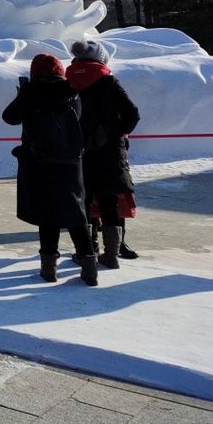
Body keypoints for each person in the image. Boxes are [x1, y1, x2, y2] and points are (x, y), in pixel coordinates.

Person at [2, 54, 98, 286]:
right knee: (76, 212)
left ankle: (48, 269)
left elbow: (9, 117)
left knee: (47, 214)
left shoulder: (30, 93)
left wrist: (23, 94)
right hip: (71, 161)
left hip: (39, 162)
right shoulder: (72, 91)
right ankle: (89, 267)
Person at [67, 39, 140, 269]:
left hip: (78, 151)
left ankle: (87, 251)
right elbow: (132, 113)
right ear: (101, 58)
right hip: (109, 151)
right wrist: (119, 132)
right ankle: (112, 255)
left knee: (84, 203)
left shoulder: (66, 80)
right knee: (110, 202)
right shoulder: (108, 81)